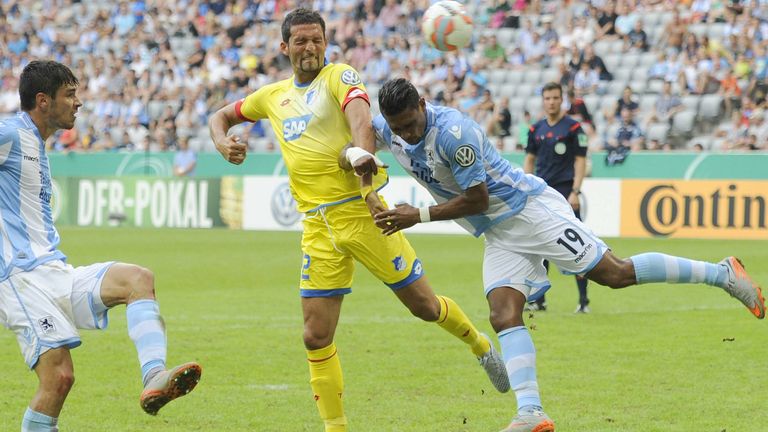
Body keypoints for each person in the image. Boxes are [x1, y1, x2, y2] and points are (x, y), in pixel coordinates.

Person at [354, 77, 765, 432]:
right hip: (500, 232)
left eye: (410, 125)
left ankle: (721, 273)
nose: (405, 135)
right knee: (502, 314)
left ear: (423, 105)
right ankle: (531, 411)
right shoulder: (391, 127)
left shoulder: (453, 133)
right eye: (397, 128)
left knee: (614, 273)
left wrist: (418, 215)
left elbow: (477, 199)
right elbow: (365, 134)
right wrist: (367, 180)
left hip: (530, 212)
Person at [207, 9, 507, 432]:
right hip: (317, 227)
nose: (309, 48)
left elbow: (361, 122)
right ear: (284, 47)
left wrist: (365, 178)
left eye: (316, 40)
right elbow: (220, 116)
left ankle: (479, 345)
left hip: (364, 214)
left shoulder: (340, 77)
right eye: (301, 41)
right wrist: (223, 142)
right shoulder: (270, 96)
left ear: (326, 43)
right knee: (315, 336)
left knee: (423, 306)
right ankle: (336, 428)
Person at [0, 60, 202, 432]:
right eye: (70, 94)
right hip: (19, 281)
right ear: (43, 101)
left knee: (137, 279)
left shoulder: (37, 144)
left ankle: (154, 376)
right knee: (58, 378)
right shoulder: (10, 133)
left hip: (55, 271)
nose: (79, 103)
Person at [524, 82, 590, 314]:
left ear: (561, 100)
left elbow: (581, 160)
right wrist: (526, 186)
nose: (551, 102)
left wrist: (576, 190)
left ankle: (583, 301)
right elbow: (530, 160)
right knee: (540, 246)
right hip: (541, 193)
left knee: (577, 245)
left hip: (565, 192)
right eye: (547, 98)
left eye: (555, 98)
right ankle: (539, 300)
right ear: (543, 101)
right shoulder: (535, 129)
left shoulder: (573, 129)